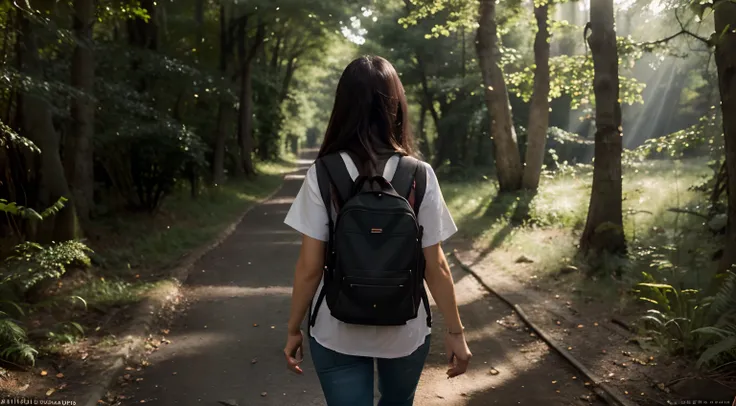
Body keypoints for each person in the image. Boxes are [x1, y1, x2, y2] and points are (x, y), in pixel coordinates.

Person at [282, 55, 471, 406]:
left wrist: (294, 328)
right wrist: (456, 332)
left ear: (342, 107)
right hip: (405, 330)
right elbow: (436, 265)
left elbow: (309, 267)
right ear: (396, 105)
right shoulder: (419, 175)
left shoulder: (323, 173)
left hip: (335, 328)